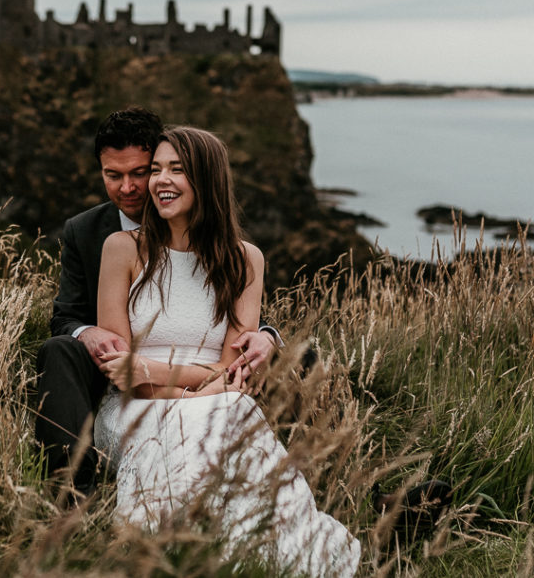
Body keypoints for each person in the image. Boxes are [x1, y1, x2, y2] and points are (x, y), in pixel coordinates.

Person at [93, 127, 360, 576]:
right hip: (132, 412)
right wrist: (192, 387)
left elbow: (230, 370)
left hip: (216, 404)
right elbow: (120, 373)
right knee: (226, 412)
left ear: (207, 179)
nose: (160, 180)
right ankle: (189, 553)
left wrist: (158, 371)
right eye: (156, 169)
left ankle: (265, 553)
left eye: (177, 169)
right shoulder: (122, 250)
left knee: (230, 413)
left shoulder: (245, 260)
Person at [35, 107, 279, 497]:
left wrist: (267, 335)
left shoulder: (242, 257)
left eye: (141, 172)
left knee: (285, 377)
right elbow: (73, 321)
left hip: (209, 389)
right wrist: (89, 333)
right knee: (60, 349)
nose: (130, 188)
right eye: (113, 176)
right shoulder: (100, 238)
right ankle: (71, 493)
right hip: (125, 384)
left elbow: (230, 349)